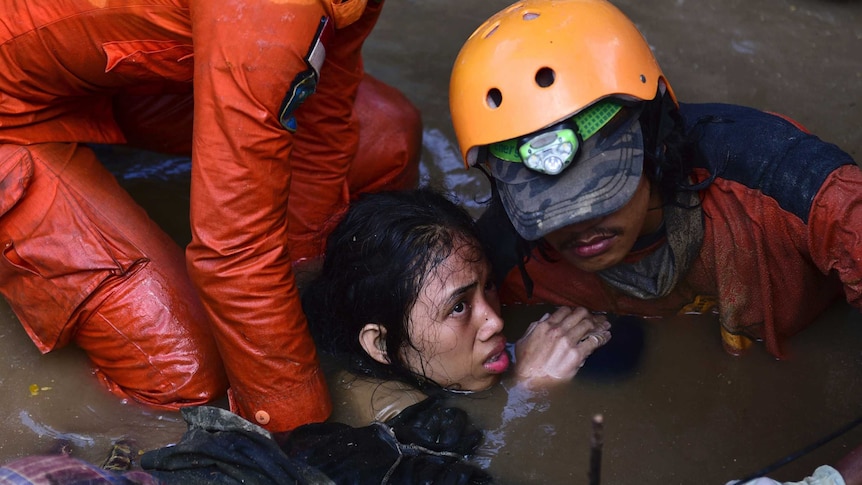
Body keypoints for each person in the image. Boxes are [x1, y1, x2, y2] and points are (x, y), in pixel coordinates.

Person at [0, 0, 421, 431]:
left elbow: (321, 123)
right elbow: (234, 253)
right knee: (183, 374)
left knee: (386, 139)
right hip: (10, 111)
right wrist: (304, 435)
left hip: (118, 75)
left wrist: (309, 292)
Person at [447, 0, 862, 359]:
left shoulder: (793, 187)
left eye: (600, 192)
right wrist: (525, 385)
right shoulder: (500, 261)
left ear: (656, 138)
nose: (578, 226)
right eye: (549, 210)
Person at [301, 187, 612, 424]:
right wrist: (526, 393)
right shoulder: (390, 412)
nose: (495, 321)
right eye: (459, 307)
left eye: (488, 285)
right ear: (381, 344)